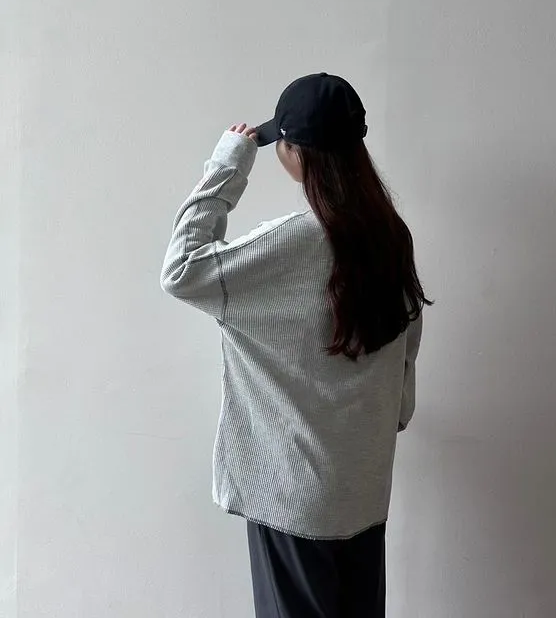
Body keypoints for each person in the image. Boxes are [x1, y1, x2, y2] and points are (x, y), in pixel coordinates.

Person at [160, 72, 433, 618]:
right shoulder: (390, 235)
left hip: (293, 500)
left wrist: (228, 164)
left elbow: (181, 270)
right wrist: (389, 417)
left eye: (280, 145)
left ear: (294, 152)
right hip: (364, 488)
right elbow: (406, 347)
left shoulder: (291, 243)